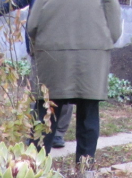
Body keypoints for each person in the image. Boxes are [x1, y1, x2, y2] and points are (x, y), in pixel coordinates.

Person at [27, 0, 121, 162]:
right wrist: (98, 42)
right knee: (89, 112)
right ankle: (84, 170)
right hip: (92, 56)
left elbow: (32, 25)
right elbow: (115, 28)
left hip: (53, 54)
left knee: (46, 113)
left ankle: (34, 170)